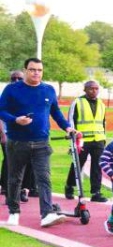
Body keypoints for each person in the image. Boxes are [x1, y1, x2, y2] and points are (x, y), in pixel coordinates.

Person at [0, 59, 76, 227]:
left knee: (44, 178)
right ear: (25, 70)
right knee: (15, 179)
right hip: (17, 143)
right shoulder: (12, 90)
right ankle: (13, 212)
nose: (36, 73)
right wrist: (15, 120)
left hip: (42, 142)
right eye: (32, 69)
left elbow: (55, 111)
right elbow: (1, 110)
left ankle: (47, 214)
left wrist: (67, 128)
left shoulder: (48, 90)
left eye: (39, 70)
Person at [64, 81, 108, 202]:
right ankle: (70, 186)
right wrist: (73, 137)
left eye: (96, 88)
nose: (94, 91)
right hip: (82, 140)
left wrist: (104, 138)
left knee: (97, 166)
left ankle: (96, 193)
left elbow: (103, 122)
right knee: (77, 164)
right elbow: (71, 121)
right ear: (85, 89)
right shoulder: (77, 102)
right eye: (91, 89)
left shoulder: (101, 104)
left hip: (98, 140)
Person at [1, 70, 34, 205]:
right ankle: (9, 191)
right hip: (8, 135)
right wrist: (3, 135)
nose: (15, 80)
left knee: (28, 161)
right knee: (10, 162)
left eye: (19, 78)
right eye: (13, 78)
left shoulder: (29, 94)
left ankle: (23, 190)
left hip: (27, 136)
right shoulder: (6, 94)